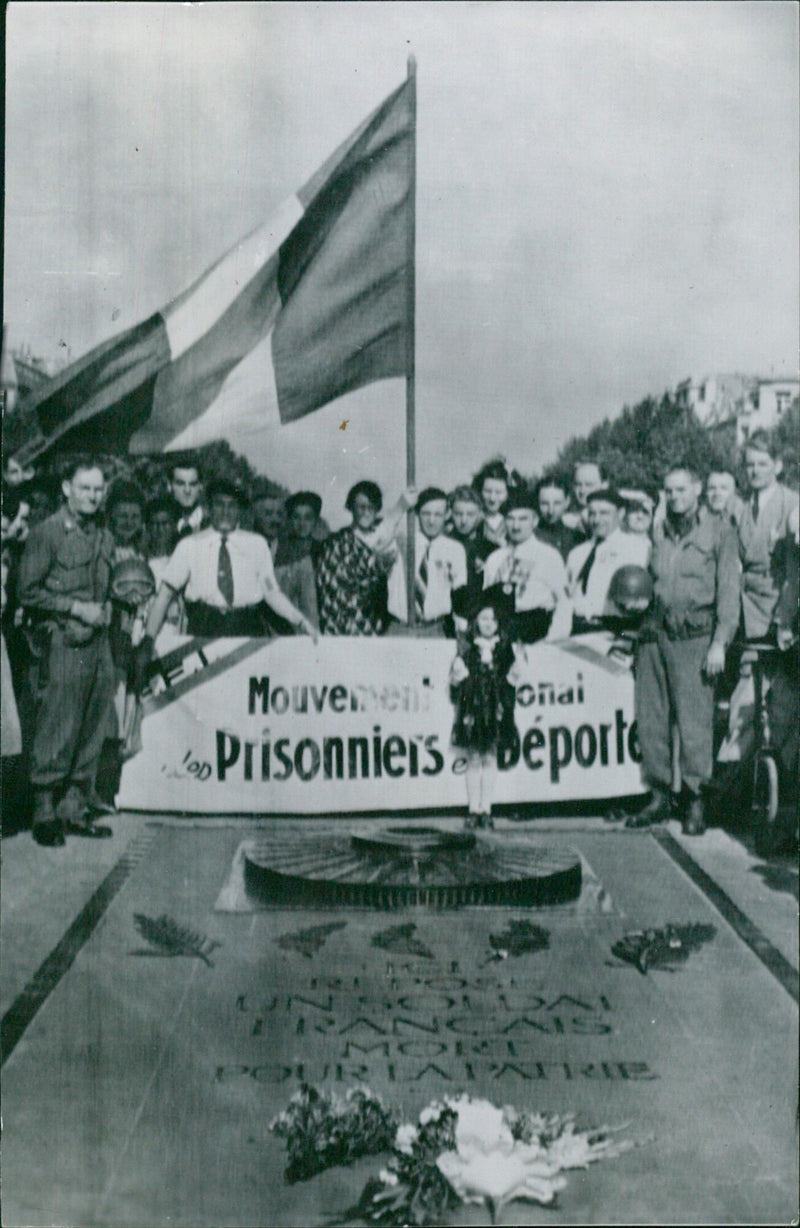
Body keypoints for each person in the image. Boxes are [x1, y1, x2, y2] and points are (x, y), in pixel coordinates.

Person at [630, 464, 740, 835]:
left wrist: (720, 643)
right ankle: (660, 795)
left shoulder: (720, 531)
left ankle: (695, 798)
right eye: (669, 491)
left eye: (681, 490)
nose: (674, 497)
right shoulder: (658, 532)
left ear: (697, 491)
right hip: (656, 634)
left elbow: (728, 592)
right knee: (653, 719)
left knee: (695, 723)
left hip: (695, 636)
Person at [18, 457, 117, 845]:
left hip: (98, 643)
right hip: (63, 640)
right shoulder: (48, 532)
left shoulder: (104, 535)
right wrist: (75, 608)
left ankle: (74, 806)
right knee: (58, 722)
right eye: (85, 488)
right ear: (66, 489)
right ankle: (44, 809)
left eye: (98, 489)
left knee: (93, 721)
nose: (93, 496)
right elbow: (28, 591)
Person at [140, 477, 316, 649]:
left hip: (247, 629)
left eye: (232, 505)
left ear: (239, 510)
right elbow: (165, 594)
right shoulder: (189, 545)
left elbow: (272, 593)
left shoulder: (256, 544)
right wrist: (148, 639)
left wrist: (300, 620)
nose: (225, 511)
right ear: (209, 509)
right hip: (204, 627)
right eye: (219, 504)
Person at [450, 585, 519, 829]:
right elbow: (456, 679)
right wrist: (458, 674)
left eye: (493, 619)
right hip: (473, 709)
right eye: (483, 618)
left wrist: (511, 677)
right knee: (473, 758)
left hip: (495, 709)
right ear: (476, 621)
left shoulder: (504, 648)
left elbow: (512, 677)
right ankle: (473, 809)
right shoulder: (468, 648)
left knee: (490, 757)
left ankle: (487, 809)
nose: (489, 623)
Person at [315, 480, 416, 635]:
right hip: (340, 626)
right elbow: (363, 566)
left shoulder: (385, 540)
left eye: (372, 507)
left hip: (373, 627)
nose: (366, 512)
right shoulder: (336, 542)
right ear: (351, 508)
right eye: (361, 506)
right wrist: (400, 507)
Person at [482, 488, 571, 643]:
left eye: (523, 519)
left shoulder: (548, 555)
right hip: (501, 632)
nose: (516, 526)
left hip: (536, 632)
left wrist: (553, 640)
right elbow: (486, 603)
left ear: (535, 521)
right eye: (510, 519)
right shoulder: (495, 558)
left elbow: (564, 602)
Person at [737, 431, 798, 641]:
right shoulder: (739, 507)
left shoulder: (792, 505)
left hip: (775, 611)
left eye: (762, 464)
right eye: (749, 465)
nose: (755, 471)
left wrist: (785, 619)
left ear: (777, 466)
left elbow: (793, 573)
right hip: (742, 609)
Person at [566, 488, 650, 631]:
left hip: (615, 628)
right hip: (578, 627)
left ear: (621, 513)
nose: (596, 520)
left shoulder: (636, 548)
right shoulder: (577, 553)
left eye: (604, 513)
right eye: (592, 513)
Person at [400, 487, 467, 635]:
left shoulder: (455, 549)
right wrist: (400, 507)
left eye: (438, 514)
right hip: (401, 627)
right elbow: (377, 542)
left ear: (447, 514)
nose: (431, 521)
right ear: (416, 513)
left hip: (435, 628)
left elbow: (459, 595)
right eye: (426, 513)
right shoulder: (402, 543)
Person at [273, 491, 323, 630]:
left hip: (314, 627)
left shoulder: (322, 551)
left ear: (316, 521)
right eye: (296, 517)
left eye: (308, 518)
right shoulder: (277, 549)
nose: (302, 523)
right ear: (289, 519)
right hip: (282, 626)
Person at [145, 497, 186, 633]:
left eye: (165, 523)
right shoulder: (142, 558)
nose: (159, 529)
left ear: (175, 526)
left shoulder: (182, 558)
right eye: (154, 524)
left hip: (174, 627)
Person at [447, 485, 496, 597]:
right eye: (458, 514)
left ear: (480, 514)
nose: (463, 521)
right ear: (450, 513)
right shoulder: (442, 546)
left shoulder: (491, 549)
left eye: (470, 514)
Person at [534, 475, 582, 561]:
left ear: (567, 502)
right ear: (537, 503)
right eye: (544, 503)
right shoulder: (529, 537)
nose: (550, 511)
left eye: (557, 503)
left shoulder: (578, 539)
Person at [472, 459, 515, 552]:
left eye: (498, 492)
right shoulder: (474, 520)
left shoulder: (513, 522)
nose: (492, 498)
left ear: (508, 494)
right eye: (487, 491)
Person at [105, 479, 147, 562]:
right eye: (123, 516)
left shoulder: (145, 552)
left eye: (135, 516)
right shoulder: (103, 552)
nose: (129, 522)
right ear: (110, 517)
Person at [562, 460, 605, 537]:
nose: (582, 491)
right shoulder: (566, 522)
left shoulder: (619, 521)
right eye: (578, 484)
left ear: (604, 485)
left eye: (589, 485)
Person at [168, 461, 205, 537]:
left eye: (193, 484)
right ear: (170, 486)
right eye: (180, 484)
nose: (187, 490)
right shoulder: (165, 524)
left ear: (201, 486)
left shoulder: (212, 522)